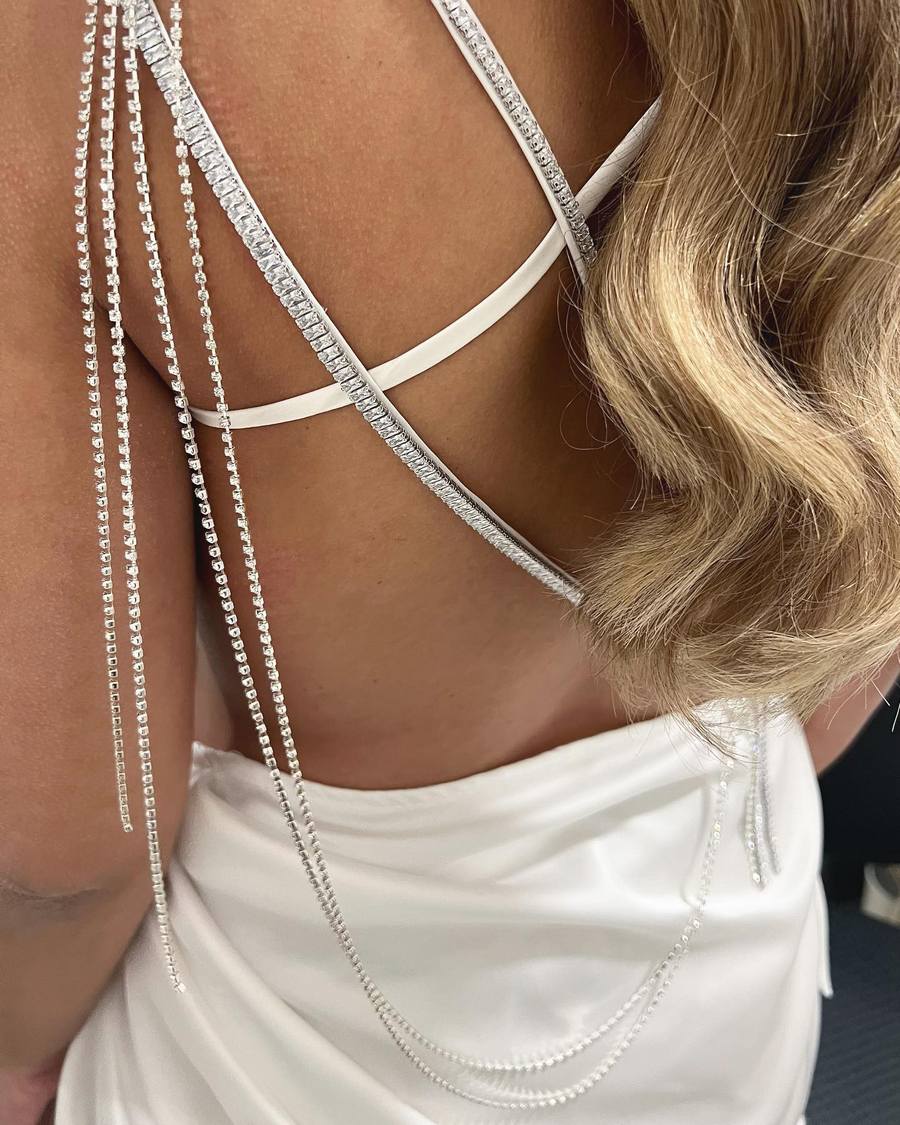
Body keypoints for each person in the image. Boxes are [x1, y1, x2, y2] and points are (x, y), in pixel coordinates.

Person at [2, 1, 898, 1122]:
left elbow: (63, 865)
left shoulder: (82, 43)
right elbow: (860, 563)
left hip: (291, 1021)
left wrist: (21, 1059)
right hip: (726, 936)